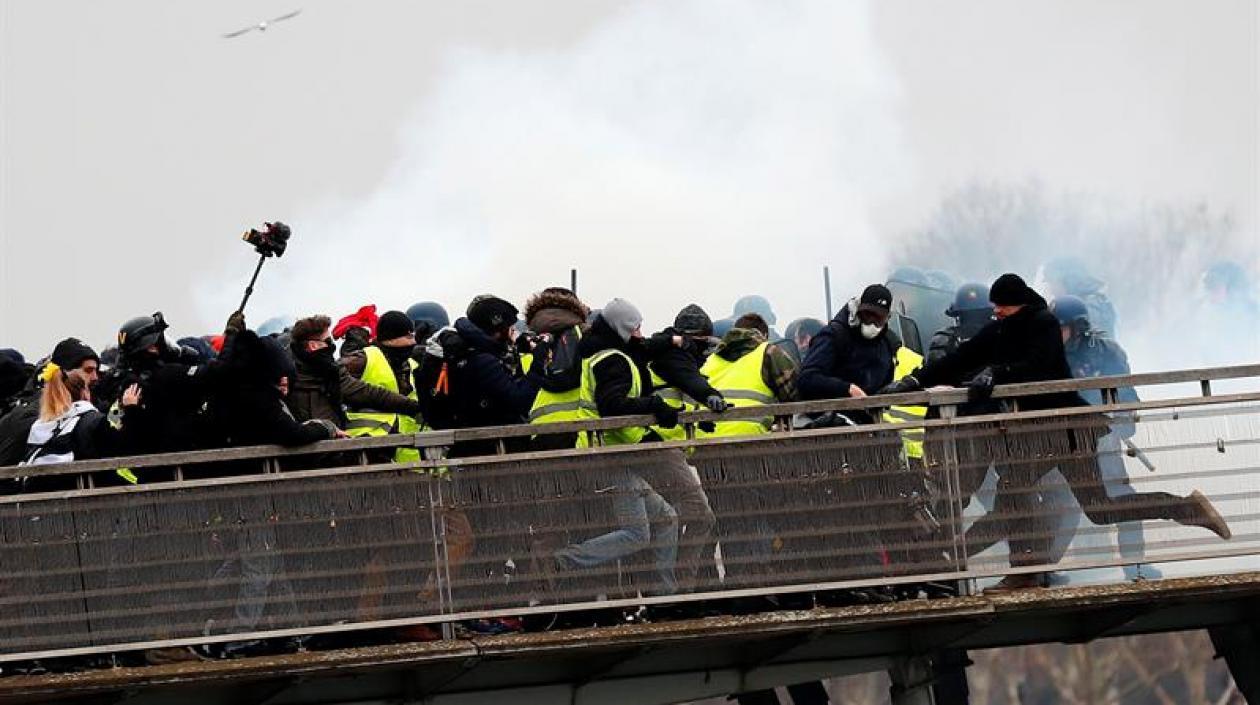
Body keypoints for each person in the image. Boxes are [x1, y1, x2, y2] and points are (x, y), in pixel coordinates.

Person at [883, 273, 1231, 591]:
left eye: (1003, 306)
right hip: (1040, 434)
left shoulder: (1043, 324)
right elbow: (958, 360)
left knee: (1092, 507)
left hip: (1068, 430)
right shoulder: (1000, 329)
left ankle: (1185, 509)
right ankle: (1023, 571)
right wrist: (913, 382)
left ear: (1019, 303)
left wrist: (996, 372)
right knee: (1028, 495)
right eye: (996, 307)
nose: (998, 312)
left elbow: (1039, 366)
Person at [539, 299, 681, 596]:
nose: (640, 333)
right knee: (637, 534)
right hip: (609, 457)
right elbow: (612, 406)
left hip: (612, 454)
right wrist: (654, 406)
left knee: (666, 517)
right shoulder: (612, 358)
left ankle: (665, 594)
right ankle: (560, 561)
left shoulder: (604, 352)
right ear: (621, 328)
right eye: (635, 327)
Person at [1053, 295, 1159, 581]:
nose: (1055, 333)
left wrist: (1120, 425)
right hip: (1061, 442)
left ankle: (1135, 566)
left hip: (1102, 439)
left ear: (1078, 327)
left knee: (1124, 500)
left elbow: (1126, 393)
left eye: (1060, 327)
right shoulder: (1047, 353)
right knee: (1063, 507)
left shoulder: (1105, 352)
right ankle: (1043, 570)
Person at [287, 315, 421, 430]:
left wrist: (414, 407)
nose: (332, 346)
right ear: (313, 345)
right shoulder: (286, 376)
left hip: (333, 451)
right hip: (299, 455)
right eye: (328, 341)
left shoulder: (332, 372)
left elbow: (371, 393)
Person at [799, 284, 900, 423]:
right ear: (858, 311)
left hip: (870, 423)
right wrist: (847, 389)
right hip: (828, 424)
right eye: (868, 315)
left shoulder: (888, 344)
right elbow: (807, 378)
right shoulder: (834, 335)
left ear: (887, 318)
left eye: (879, 319)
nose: (872, 323)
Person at [0, 338, 102, 468]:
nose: (95, 377)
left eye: (96, 371)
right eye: (88, 371)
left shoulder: (30, 409)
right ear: (63, 374)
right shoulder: (38, 415)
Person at [341, 310, 423, 462]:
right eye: (408, 336)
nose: (413, 342)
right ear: (390, 339)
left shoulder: (412, 365)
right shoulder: (362, 359)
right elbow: (334, 382)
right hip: (368, 448)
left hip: (408, 452)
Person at [1042, 256, 1118, 338]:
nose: (1052, 290)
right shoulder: (1079, 306)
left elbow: (1086, 346)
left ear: (1069, 282)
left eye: (1054, 283)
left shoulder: (1090, 310)